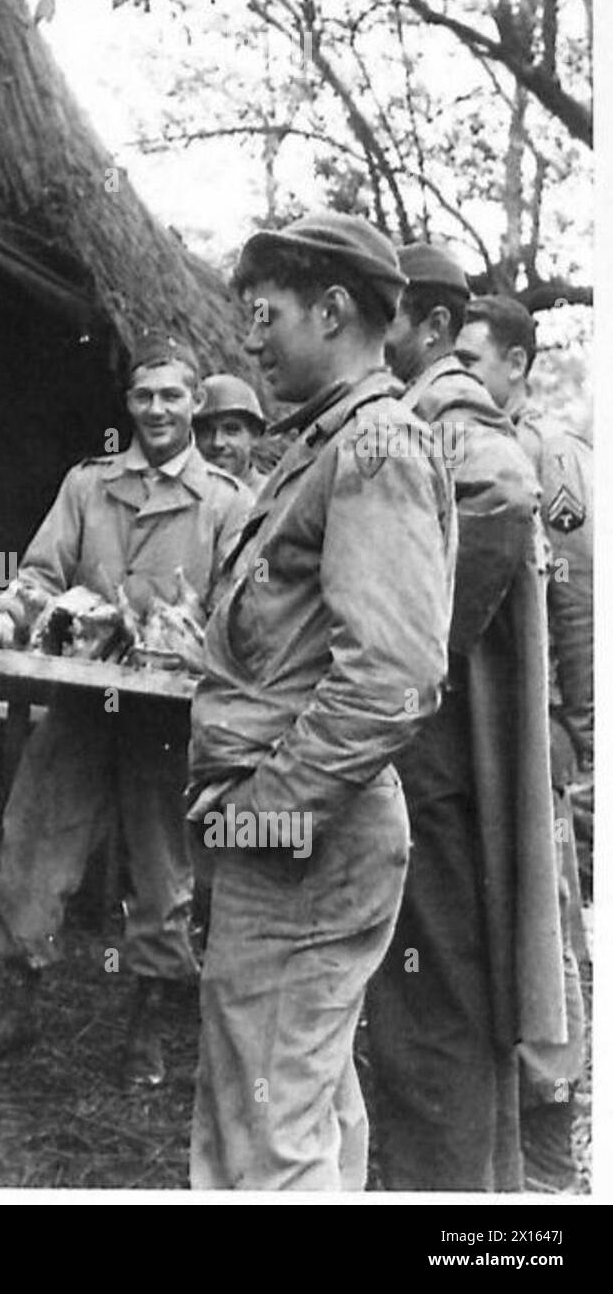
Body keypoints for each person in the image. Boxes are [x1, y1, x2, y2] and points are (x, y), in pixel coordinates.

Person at [186, 212, 456, 1189]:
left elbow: (391, 675)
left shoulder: (375, 446)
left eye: (264, 315)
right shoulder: (322, 444)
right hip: (303, 837)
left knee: (262, 1142)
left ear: (332, 310)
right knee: (307, 1112)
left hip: (307, 843)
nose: (247, 338)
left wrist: (268, 813)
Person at [0, 338, 249, 1084]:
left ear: (196, 403)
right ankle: (19, 1001)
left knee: (164, 871)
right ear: (128, 403)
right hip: (82, 701)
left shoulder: (225, 500)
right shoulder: (88, 486)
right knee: (33, 844)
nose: (156, 409)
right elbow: (39, 572)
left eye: (172, 395)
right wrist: (7, 615)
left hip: (168, 721)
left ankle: (146, 1025)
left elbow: (242, 607)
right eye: (143, 395)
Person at [368, 243, 566, 1191]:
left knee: (428, 1001)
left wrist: (417, 658)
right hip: (444, 756)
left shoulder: (443, 405)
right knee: (445, 995)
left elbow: (507, 490)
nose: (380, 335)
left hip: (431, 759)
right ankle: (480, 1201)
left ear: (433, 327)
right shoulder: (432, 404)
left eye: (389, 317)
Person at [456, 294, 592, 1190]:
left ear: (519, 368)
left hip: (534, 732)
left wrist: (582, 739)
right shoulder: (455, 443)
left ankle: (552, 1123)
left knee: (545, 924)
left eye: (478, 359)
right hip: (469, 729)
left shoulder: (549, 460)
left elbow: (578, 606)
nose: (462, 376)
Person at [193, 373, 267, 492]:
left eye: (231, 430)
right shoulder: (181, 497)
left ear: (255, 435)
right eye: (206, 431)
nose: (217, 443)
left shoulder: (273, 497)